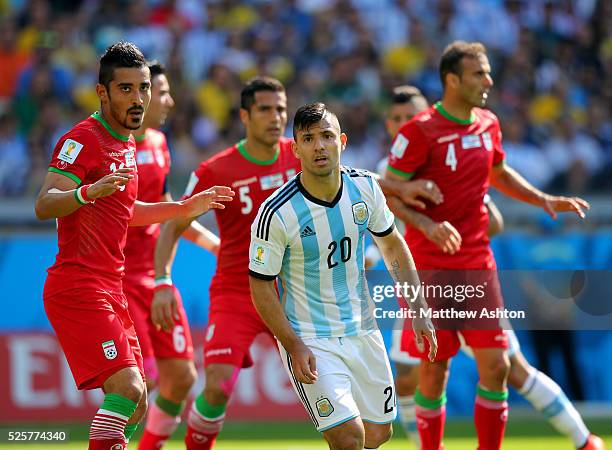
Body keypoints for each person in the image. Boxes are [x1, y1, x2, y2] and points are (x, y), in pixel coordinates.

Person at [385, 41, 592, 450]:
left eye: (488, 72)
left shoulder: (488, 123)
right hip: (426, 266)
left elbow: (498, 172)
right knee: (433, 370)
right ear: (452, 79)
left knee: (497, 366)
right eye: (479, 73)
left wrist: (543, 199)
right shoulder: (419, 131)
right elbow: (387, 195)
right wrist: (426, 224)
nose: (488, 80)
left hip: (478, 262)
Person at [35, 42, 233, 450]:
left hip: (111, 285)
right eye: (126, 88)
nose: (138, 98)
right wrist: (88, 192)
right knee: (126, 387)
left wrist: (182, 207)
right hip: (78, 286)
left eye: (143, 87)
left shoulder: (128, 143)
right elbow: (44, 203)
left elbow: (126, 211)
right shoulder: (82, 140)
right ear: (102, 92)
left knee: (139, 398)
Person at [249, 102, 437, 450]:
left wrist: (418, 308)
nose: (319, 146)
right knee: (349, 437)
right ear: (295, 148)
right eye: (308, 139)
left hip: (362, 330)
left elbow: (393, 246)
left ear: (343, 141)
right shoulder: (276, 211)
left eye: (326, 136)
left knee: (379, 433)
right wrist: (293, 344)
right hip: (311, 338)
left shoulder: (365, 188)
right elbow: (260, 285)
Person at [152, 77, 302, 450]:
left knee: (325, 381)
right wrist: (162, 280)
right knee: (218, 383)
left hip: (296, 291)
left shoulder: (302, 157)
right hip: (238, 290)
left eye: (281, 109)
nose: (275, 117)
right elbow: (174, 225)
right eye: (265, 109)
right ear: (244, 116)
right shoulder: (216, 171)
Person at [118, 60, 219, 450]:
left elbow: (167, 211)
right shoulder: (111, 147)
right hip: (119, 280)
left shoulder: (159, 145)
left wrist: (214, 245)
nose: (168, 101)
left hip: (155, 276)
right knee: (133, 386)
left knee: (181, 378)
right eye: (161, 92)